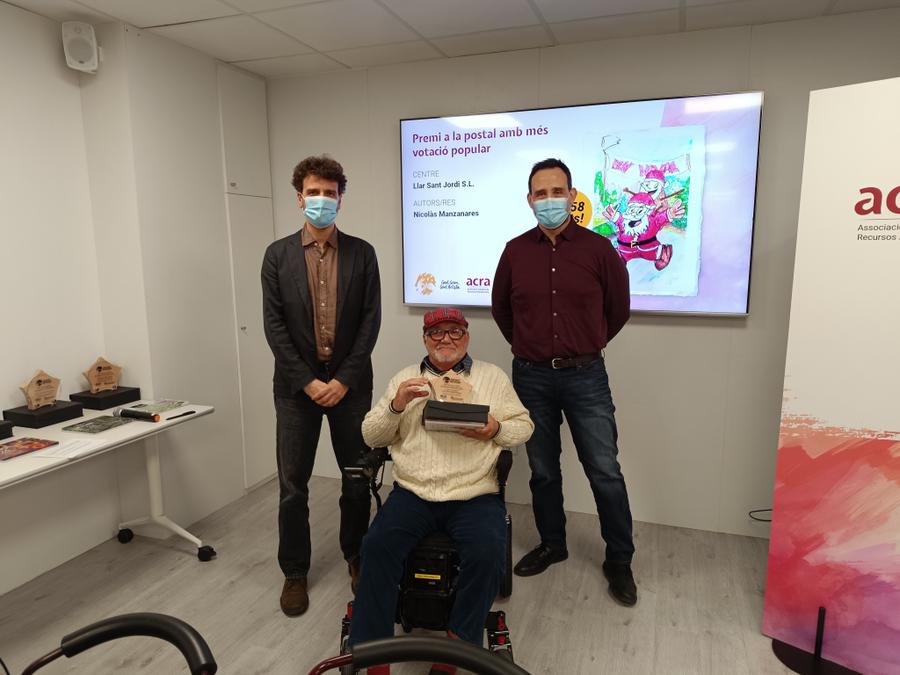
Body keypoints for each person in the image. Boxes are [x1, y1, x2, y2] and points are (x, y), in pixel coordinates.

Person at [350, 307, 533, 675]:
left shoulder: (492, 377)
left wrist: (495, 428)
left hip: (474, 493)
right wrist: (396, 405)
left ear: (466, 336)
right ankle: (374, 657)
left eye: (454, 331)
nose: (445, 339)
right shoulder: (405, 378)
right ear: (424, 339)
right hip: (414, 492)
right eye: (436, 332)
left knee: (487, 553)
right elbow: (371, 435)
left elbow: (524, 426)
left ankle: (455, 650)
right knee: (376, 547)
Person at [491, 157, 638, 606]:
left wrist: (587, 343)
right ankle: (553, 544)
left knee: (604, 470)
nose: (550, 200)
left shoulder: (599, 249)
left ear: (572, 197)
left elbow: (618, 309)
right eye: (541, 193)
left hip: (585, 376)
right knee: (542, 469)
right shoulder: (515, 252)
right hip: (531, 377)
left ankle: (619, 559)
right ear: (529, 199)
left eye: (558, 192)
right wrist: (531, 346)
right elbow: (502, 310)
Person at [261, 154, 381, 616]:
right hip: (297, 391)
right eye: (314, 192)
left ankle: (357, 555)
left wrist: (343, 379)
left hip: (351, 388)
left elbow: (370, 323)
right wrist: (309, 382)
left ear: (340, 199)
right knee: (293, 486)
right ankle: (295, 571)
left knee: (356, 478)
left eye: (330, 193)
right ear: (299, 198)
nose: (322, 200)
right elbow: (275, 327)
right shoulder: (277, 256)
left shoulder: (363, 253)